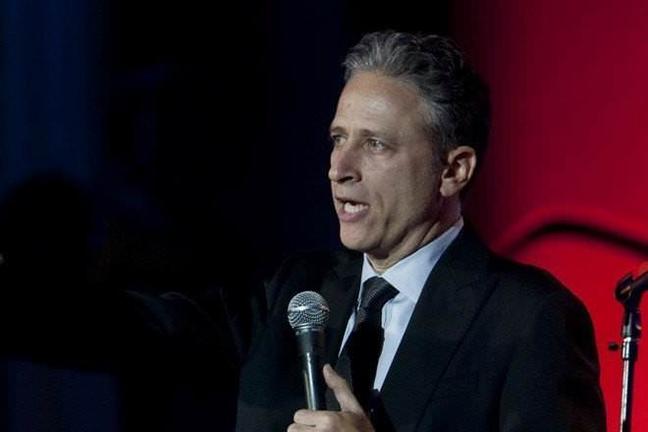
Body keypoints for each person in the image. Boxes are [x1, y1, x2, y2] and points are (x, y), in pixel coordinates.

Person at [235, 31, 606, 431]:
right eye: (338, 139)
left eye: (375, 144)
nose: (338, 169)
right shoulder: (295, 289)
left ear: (453, 170)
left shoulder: (529, 318)